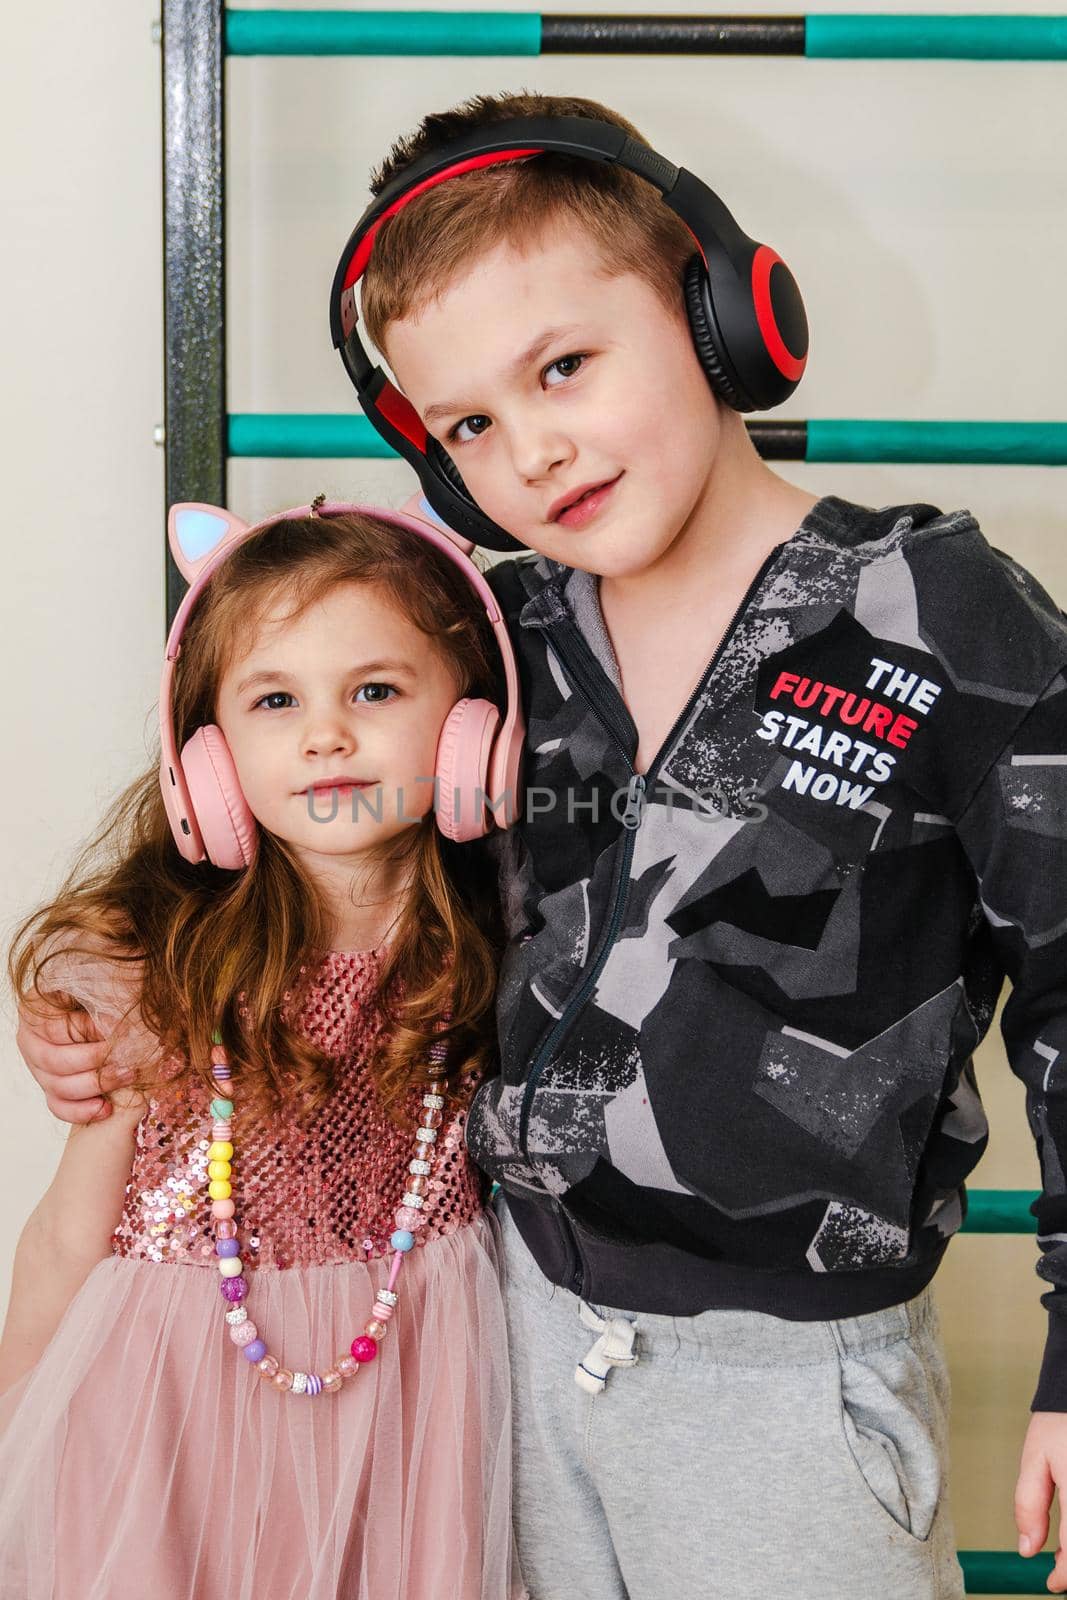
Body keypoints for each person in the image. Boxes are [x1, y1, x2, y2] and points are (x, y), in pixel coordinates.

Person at [20, 90, 1067, 1596]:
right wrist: (78, 975)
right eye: (470, 426)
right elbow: (290, 852)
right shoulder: (496, 646)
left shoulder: (944, 617)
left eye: (562, 366)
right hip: (505, 1340)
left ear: (721, 315)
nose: (534, 450)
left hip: (786, 1392)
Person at [0, 497, 526, 1600]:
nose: (326, 735)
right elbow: (65, 1234)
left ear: (471, 728)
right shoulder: (155, 965)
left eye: (374, 691)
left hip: (413, 1414)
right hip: (166, 1417)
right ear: (206, 755)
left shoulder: (513, 943)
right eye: (275, 699)